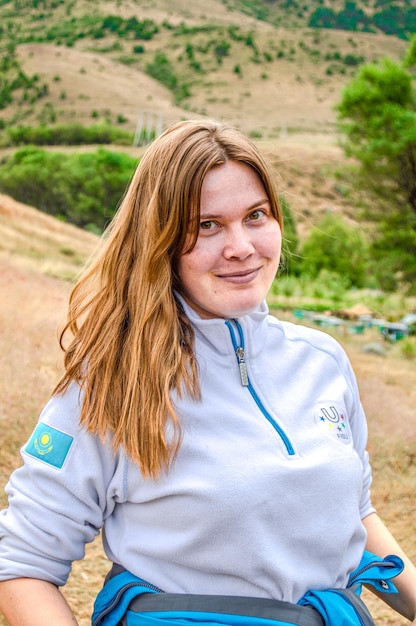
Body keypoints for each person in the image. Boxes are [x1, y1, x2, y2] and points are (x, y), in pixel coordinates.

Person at [0, 119, 415, 626]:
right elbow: (20, 567)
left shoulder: (323, 360)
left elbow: (356, 513)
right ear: (160, 241)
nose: (241, 246)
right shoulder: (113, 380)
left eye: (256, 216)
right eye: (207, 225)